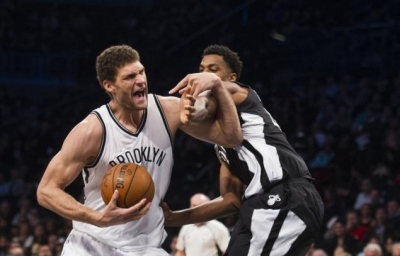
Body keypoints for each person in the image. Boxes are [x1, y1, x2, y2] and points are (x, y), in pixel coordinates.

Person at [36, 45, 243, 256]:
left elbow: (232, 137)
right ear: (110, 86)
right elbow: (46, 191)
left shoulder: (167, 111)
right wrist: (96, 218)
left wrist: (217, 86)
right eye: (129, 77)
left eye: (141, 72)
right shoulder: (92, 130)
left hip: (144, 248)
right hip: (90, 244)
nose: (141, 80)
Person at [162, 44, 324, 255]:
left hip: (286, 195)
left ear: (231, 77)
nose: (205, 75)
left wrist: (192, 109)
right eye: (202, 69)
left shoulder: (243, 94)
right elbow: (230, 200)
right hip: (257, 205)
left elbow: (205, 105)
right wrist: (173, 218)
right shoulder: (223, 147)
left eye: (213, 69)